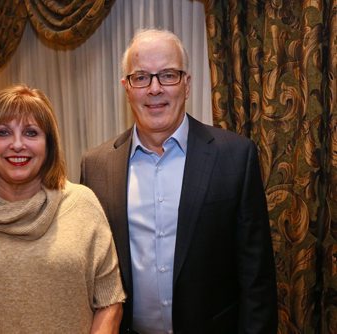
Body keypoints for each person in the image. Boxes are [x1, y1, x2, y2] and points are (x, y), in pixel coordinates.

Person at [80, 29, 278, 334]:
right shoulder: (95, 167)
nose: (155, 89)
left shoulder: (236, 157)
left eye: (168, 75)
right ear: (127, 88)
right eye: (141, 77)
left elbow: (257, 281)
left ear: (186, 84)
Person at [0, 85, 126, 333]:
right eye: (3, 132)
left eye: (31, 132)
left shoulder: (83, 204)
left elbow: (110, 303)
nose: (17, 145)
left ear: (48, 145)